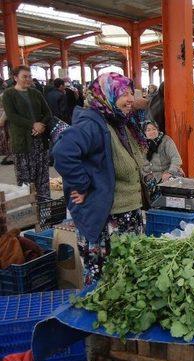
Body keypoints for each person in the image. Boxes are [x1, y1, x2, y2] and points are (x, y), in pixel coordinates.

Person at [53, 72, 147, 284]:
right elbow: (63, 153)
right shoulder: (93, 124)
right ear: (106, 95)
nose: (130, 98)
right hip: (108, 221)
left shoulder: (119, 122)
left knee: (129, 282)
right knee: (107, 285)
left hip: (128, 215)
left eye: (131, 92)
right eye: (123, 93)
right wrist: (82, 184)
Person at [2, 65, 52, 197]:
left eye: (29, 76)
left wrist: (41, 125)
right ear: (15, 78)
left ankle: (45, 209)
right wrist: (33, 125)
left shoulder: (36, 93)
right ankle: (29, 211)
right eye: (24, 76)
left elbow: (48, 113)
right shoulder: (8, 94)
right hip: (22, 143)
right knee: (25, 180)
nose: (28, 79)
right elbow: (12, 116)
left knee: (42, 178)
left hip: (40, 141)